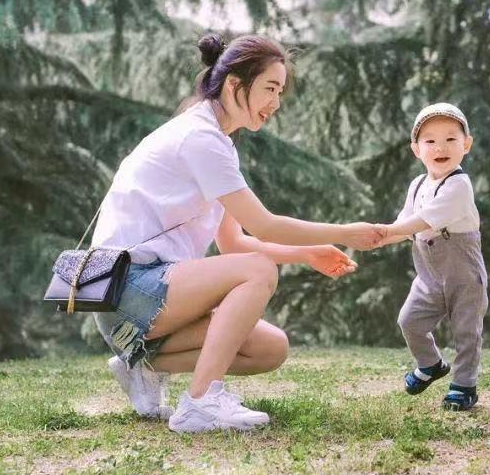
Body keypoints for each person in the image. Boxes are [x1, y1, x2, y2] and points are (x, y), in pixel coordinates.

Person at [90, 33, 386, 432]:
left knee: (269, 348)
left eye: (280, 91)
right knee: (259, 270)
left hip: (147, 299)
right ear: (234, 84)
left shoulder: (219, 144)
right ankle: (200, 403)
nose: (276, 103)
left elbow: (234, 242)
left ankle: (144, 367)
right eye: (269, 88)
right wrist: (348, 232)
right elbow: (263, 225)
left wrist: (310, 252)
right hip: (126, 290)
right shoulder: (200, 138)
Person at [375, 103, 487, 411]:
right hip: (429, 276)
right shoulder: (418, 185)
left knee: (466, 332)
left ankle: (464, 386)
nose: (441, 147)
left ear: (466, 144)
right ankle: (431, 364)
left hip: (463, 275)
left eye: (451, 139)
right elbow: (404, 223)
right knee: (409, 321)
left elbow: (423, 221)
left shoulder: (460, 185)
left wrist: (385, 231)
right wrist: (380, 238)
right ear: (416, 149)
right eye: (430, 140)